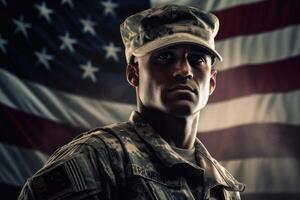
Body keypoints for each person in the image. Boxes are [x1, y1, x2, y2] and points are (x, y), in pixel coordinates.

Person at [18, 4, 245, 200]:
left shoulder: (223, 186)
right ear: (133, 73)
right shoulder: (96, 159)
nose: (184, 71)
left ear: (212, 81)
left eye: (197, 59)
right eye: (165, 57)